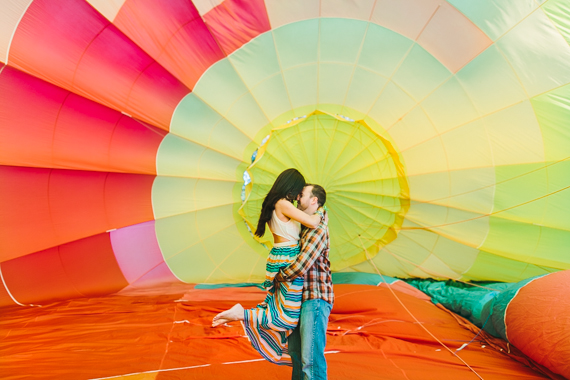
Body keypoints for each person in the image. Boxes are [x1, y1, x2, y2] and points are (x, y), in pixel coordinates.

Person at [211, 168, 323, 366]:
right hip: (287, 259)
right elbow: (313, 222)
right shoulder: (283, 204)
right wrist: (321, 210)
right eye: (298, 191)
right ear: (292, 187)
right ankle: (241, 314)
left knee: (278, 307)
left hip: (278, 257)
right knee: (288, 316)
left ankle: (244, 314)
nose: (299, 196)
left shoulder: (276, 203)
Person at [275, 184, 333, 380]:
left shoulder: (318, 228)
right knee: (297, 357)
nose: (297, 199)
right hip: (299, 299)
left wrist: (278, 276)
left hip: (314, 298)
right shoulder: (306, 226)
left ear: (314, 200)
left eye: (302, 195)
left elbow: (302, 264)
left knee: (310, 360)